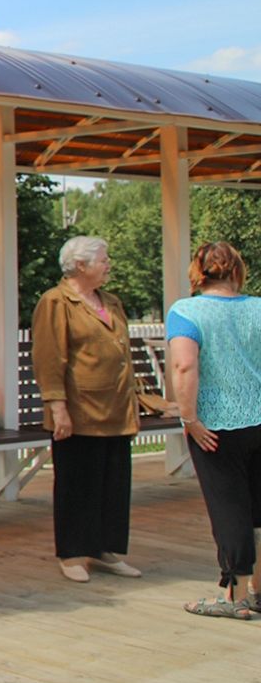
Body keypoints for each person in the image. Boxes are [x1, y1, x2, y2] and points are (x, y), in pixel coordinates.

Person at [31, 236, 143, 584]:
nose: (109, 264)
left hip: (116, 409)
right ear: (80, 265)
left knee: (113, 484)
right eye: (103, 259)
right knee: (77, 484)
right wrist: (58, 407)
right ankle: (73, 553)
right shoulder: (56, 301)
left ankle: (105, 551)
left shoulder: (111, 301)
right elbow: (49, 358)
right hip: (79, 412)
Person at [166, 241, 261, 619]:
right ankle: (258, 590)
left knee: (230, 507)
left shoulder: (186, 310)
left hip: (216, 426)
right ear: (237, 270)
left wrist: (190, 420)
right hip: (259, 420)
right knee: (259, 506)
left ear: (198, 272)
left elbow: (185, 368)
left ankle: (234, 597)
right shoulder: (258, 306)